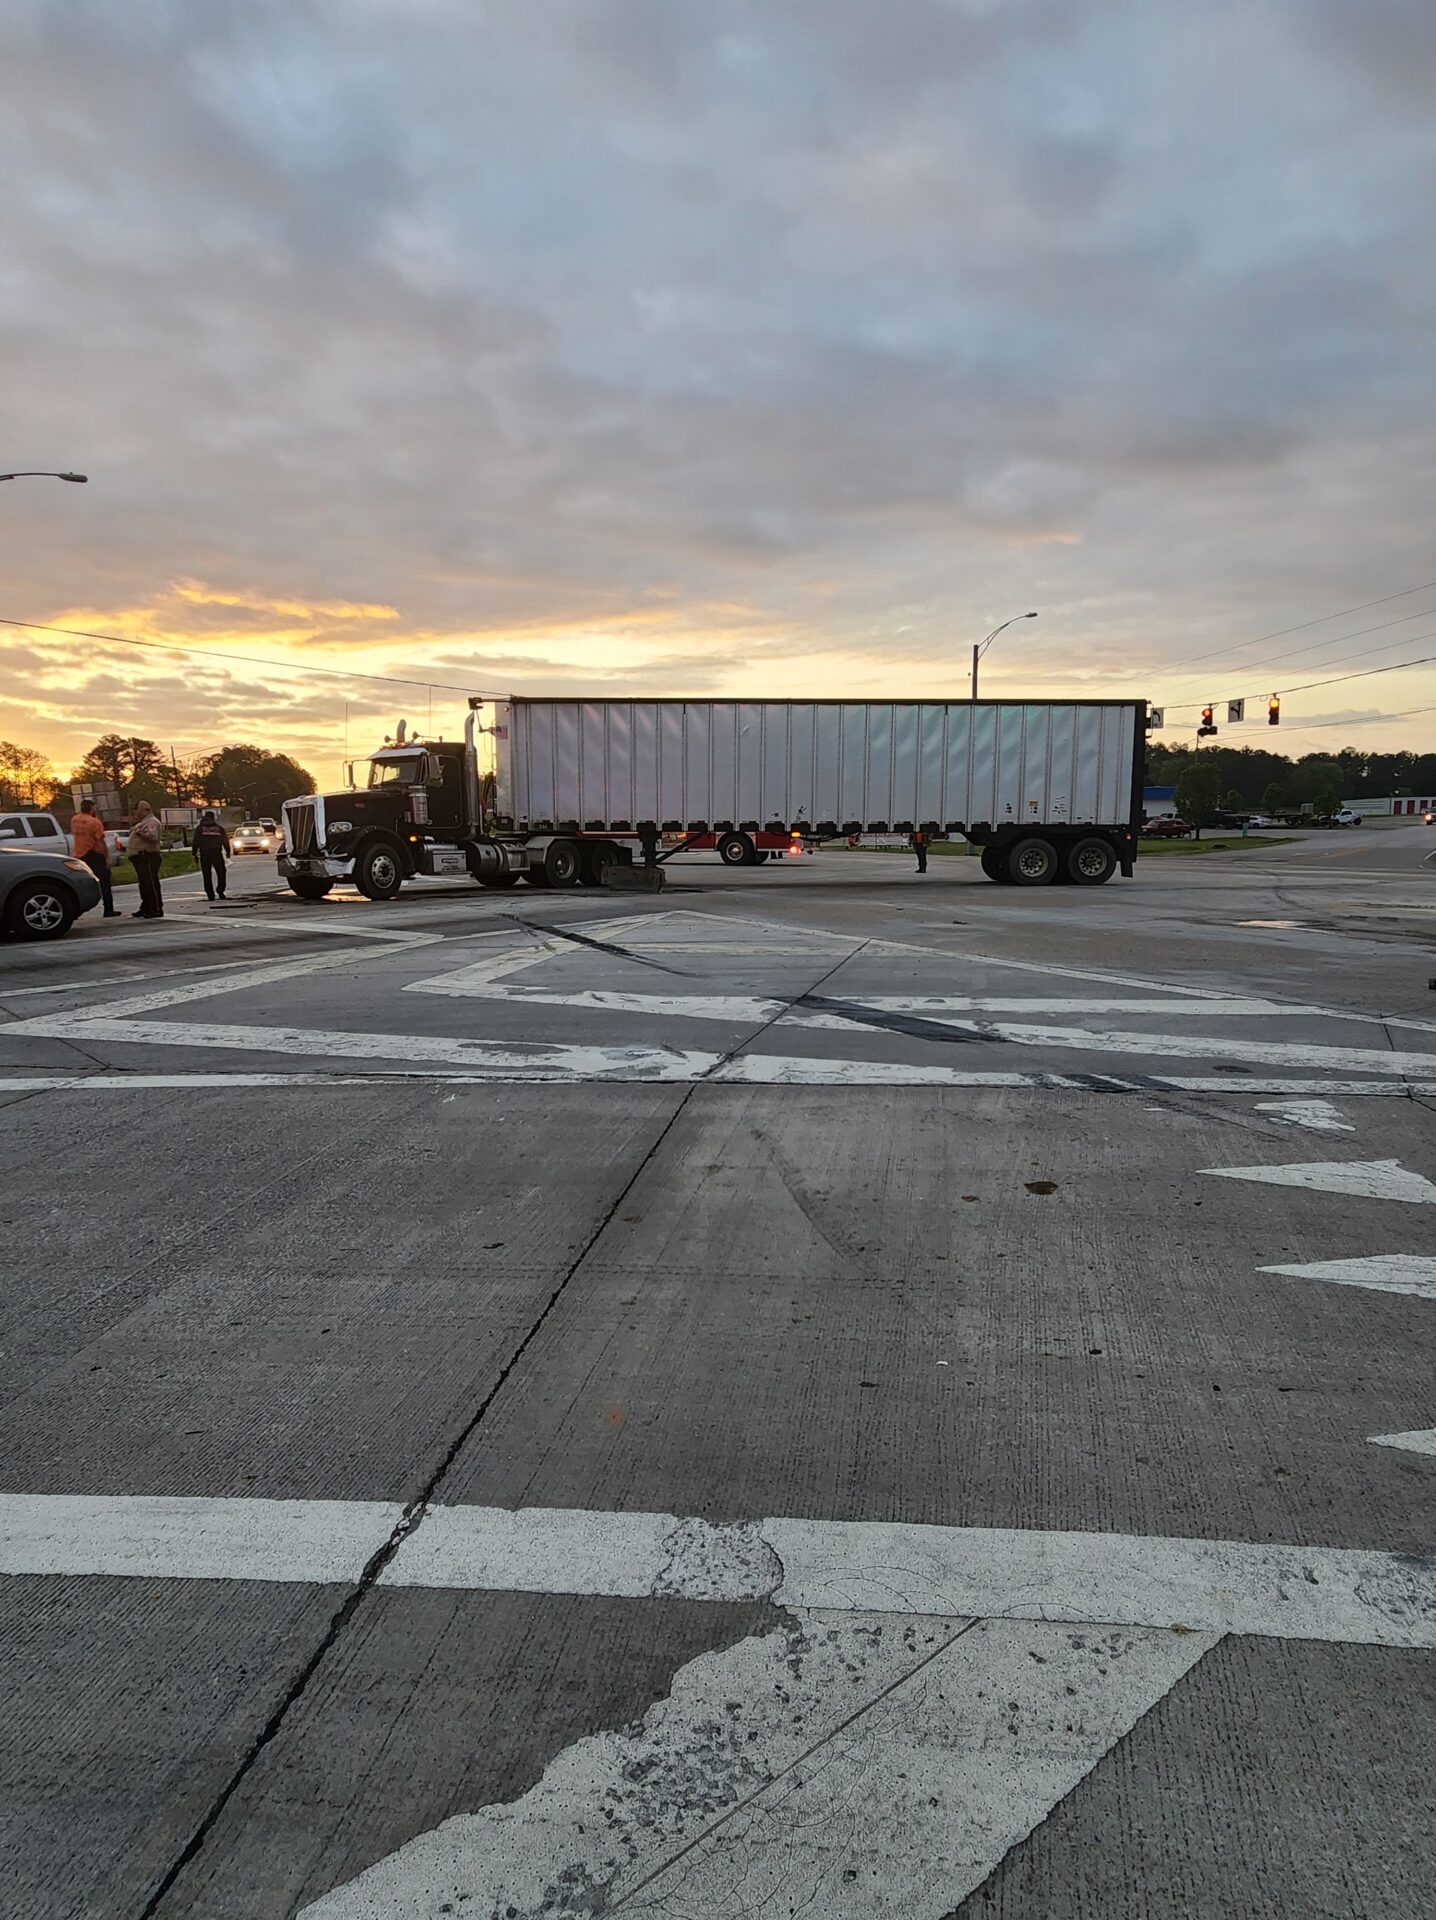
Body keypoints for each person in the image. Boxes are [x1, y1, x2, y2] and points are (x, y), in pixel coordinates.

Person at [71, 798, 120, 917]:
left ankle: (76, 910)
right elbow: (100, 842)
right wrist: (107, 858)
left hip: (79, 854)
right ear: (92, 808)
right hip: (93, 854)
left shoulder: (74, 820)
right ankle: (108, 908)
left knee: (82, 883)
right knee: (105, 882)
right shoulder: (94, 822)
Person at [127, 800, 165, 920]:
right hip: (140, 858)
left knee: (150, 884)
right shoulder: (143, 822)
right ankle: (146, 906)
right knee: (144, 884)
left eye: (137, 809)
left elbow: (152, 836)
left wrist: (139, 833)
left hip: (148, 857)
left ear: (145, 810)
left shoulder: (151, 822)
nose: (135, 812)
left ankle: (155, 908)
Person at [191, 808, 232, 901]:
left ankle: (210, 894)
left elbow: (196, 841)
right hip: (216, 852)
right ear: (213, 818)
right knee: (221, 872)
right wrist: (228, 851)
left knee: (206, 874)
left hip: (204, 853)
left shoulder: (200, 829)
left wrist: (194, 853)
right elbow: (225, 840)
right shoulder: (219, 828)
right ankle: (220, 890)